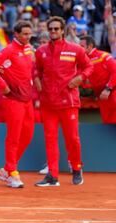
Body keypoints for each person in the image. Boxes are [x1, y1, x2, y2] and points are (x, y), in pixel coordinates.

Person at [35, 16, 93, 187]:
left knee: (72, 139)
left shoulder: (75, 49)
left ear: (62, 31)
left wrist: (79, 78)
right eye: (51, 29)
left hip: (68, 102)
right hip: (48, 103)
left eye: (56, 29)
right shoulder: (41, 51)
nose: (53, 31)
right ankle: (52, 175)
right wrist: (36, 80)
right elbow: (36, 71)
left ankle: (76, 168)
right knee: (50, 139)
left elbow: (89, 67)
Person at [0, 20, 35, 188]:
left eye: (30, 34)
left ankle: (6, 169)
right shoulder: (9, 50)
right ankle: (13, 172)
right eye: (25, 34)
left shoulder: (28, 48)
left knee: (27, 135)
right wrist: (4, 87)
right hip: (13, 99)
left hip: (27, 99)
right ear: (16, 34)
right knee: (14, 136)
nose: (28, 37)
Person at [80, 35, 116, 123]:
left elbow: (115, 72)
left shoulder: (103, 56)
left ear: (90, 46)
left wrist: (108, 89)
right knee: (107, 123)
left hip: (113, 93)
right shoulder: (82, 60)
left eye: (82, 46)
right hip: (101, 97)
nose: (79, 49)